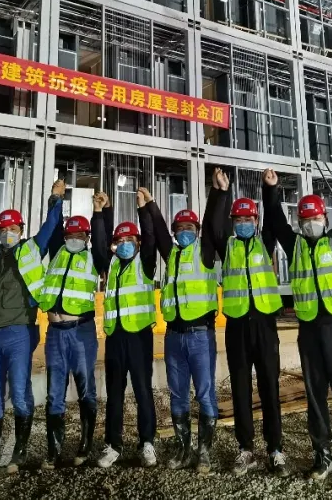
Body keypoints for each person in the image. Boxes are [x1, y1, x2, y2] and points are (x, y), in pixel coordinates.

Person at [262, 172, 332, 482]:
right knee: (315, 397)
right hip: (309, 331)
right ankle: (323, 455)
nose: (311, 223)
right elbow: (276, 221)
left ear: (324, 217)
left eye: (316, 217)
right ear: (299, 221)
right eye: (305, 219)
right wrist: (271, 189)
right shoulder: (294, 245)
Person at [0, 180, 66, 478]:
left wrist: (56, 199)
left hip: (19, 332)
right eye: (3, 229)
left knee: (20, 393)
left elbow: (50, 226)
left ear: (21, 230)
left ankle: (18, 453)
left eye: (13, 229)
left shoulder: (31, 249)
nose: (8, 233)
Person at [210, 168, 287, 476]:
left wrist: (271, 189)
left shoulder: (264, 242)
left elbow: (274, 219)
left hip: (265, 326)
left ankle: (275, 449)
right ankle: (245, 449)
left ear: (255, 222)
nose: (244, 223)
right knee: (240, 389)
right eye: (238, 219)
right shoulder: (226, 245)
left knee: (269, 386)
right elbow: (213, 226)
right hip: (238, 327)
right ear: (233, 222)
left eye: (248, 219)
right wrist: (221, 193)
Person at [147, 184, 228, 474]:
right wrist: (151, 205)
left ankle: (204, 452)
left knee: (205, 393)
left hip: (200, 336)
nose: (184, 232)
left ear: (197, 230)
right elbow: (158, 231)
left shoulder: (204, 252)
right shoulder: (171, 255)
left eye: (189, 228)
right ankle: (183, 449)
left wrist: (217, 193)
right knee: (178, 394)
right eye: (179, 228)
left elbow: (212, 222)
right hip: (173, 337)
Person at [37, 195, 108, 469]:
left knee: (85, 388)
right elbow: (53, 226)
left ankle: (85, 445)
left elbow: (101, 241)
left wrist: (98, 212)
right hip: (55, 333)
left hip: (81, 332)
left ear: (87, 238)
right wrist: (55, 199)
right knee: (54, 393)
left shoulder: (93, 257)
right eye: (70, 235)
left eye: (80, 235)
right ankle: (53, 451)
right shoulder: (57, 252)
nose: (74, 239)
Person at [94, 188, 158, 469]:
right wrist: (101, 212)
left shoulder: (145, 262)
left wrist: (143, 209)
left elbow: (152, 237)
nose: (124, 245)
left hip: (139, 337)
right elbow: (99, 243)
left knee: (143, 391)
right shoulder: (110, 265)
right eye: (120, 241)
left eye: (130, 240)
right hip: (115, 337)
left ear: (138, 243)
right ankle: (113, 445)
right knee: (115, 394)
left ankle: (147, 442)